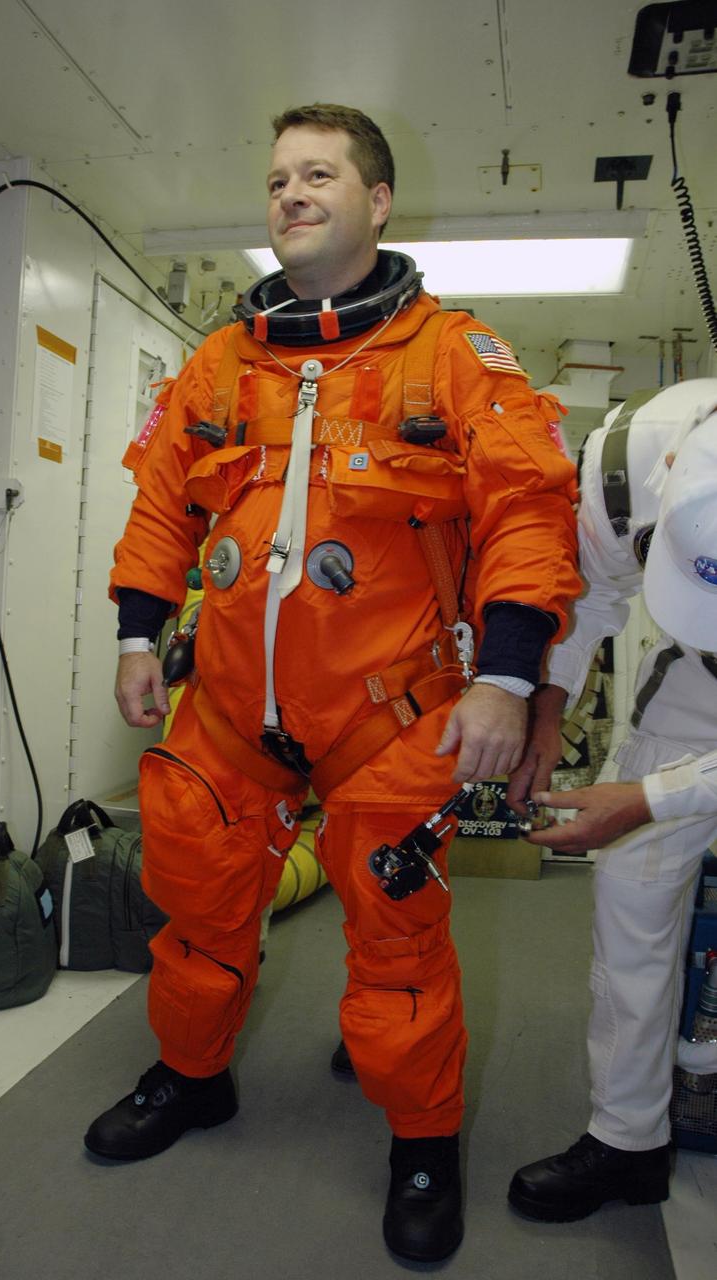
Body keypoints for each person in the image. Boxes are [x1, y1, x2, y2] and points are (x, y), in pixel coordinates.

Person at [85, 102, 580, 1263]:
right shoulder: (220, 364)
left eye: (318, 174)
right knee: (198, 908)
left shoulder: (450, 355)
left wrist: (507, 676)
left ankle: (422, 1140)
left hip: (388, 712)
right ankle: (192, 1075)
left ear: (377, 201)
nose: (291, 194)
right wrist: (135, 636)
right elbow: (159, 505)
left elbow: (526, 509)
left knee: (396, 943)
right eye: (276, 180)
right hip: (228, 709)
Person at [506, 380, 717, 1222]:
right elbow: (590, 594)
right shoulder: (630, 458)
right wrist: (544, 715)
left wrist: (651, 799)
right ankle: (628, 1141)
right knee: (631, 893)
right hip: (694, 689)